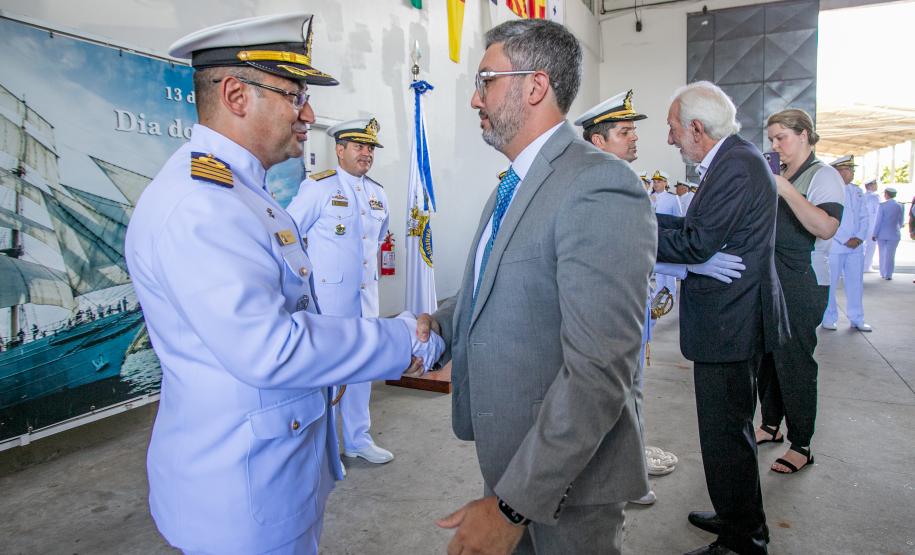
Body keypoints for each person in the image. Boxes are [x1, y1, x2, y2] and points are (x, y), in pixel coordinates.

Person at [124, 13, 443, 555]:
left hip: (270, 470)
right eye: (294, 95)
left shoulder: (241, 190)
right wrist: (401, 340)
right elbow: (270, 349)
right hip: (240, 494)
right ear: (235, 94)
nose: (309, 114)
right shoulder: (201, 206)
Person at [419, 19, 655, 555]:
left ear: (534, 86)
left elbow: (599, 369)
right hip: (514, 461)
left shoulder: (598, 184)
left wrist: (511, 507)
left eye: (486, 81)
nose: (476, 100)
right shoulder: (515, 182)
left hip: (569, 482)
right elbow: (493, 286)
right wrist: (439, 324)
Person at [658, 81, 787, 555]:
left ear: (696, 128)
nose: (670, 139)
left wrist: (629, 223)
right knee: (727, 433)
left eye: (673, 129)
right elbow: (696, 230)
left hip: (730, 324)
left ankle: (743, 539)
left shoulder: (734, 166)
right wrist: (646, 215)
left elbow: (695, 243)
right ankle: (737, 514)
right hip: (730, 319)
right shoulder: (735, 160)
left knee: (726, 435)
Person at [576, 89, 676, 505]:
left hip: (629, 305)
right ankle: (617, 481)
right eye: (623, 131)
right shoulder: (599, 182)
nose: (634, 137)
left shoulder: (618, 178)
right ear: (598, 140)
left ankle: (629, 469)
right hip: (609, 312)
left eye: (632, 130)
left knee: (630, 390)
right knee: (614, 393)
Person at [287, 118, 395, 465]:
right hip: (329, 300)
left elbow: (376, 241)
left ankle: (358, 439)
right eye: (359, 146)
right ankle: (320, 446)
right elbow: (288, 236)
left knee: (361, 367)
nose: (366, 153)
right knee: (326, 373)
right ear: (340, 150)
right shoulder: (318, 188)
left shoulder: (378, 195)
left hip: (365, 299)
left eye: (370, 148)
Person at [756, 109, 843, 481]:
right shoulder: (778, 174)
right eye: (772, 139)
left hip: (802, 281)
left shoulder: (823, 176)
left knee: (794, 362)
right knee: (767, 358)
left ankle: (801, 443)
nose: (775, 145)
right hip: (769, 278)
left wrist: (785, 188)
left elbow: (825, 227)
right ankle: (771, 423)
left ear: (805, 135)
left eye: (781, 138)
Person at [822, 155, 871, 331]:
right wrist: (844, 239)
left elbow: (865, 217)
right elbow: (830, 218)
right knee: (831, 284)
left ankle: (857, 318)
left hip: (855, 246)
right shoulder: (830, 190)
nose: (852, 173)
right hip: (835, 245)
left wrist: (859, 237)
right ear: (839, 171)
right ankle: (829, 317)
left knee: (855, 283)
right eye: (849, 169)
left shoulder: (857, 191)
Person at [872, 187, 905, 280]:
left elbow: (878, 221)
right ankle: (889, 274)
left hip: (882, 233)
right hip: (894, 233)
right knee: (891, 254)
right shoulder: (900, 205)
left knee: (882, 253)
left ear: (886, 194)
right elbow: (901, 221)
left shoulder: (882, 205)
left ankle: (883, 273)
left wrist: (874, 233)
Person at [862, 179, 880, 273]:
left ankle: (861, 265)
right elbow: (877, 212)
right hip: (872, 225)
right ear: (870, 186)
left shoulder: (862, 196)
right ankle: (867, 266)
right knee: (871, 246)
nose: (876, 186)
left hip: (863, 225)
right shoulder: (875, 197)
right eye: (875, 184)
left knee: (862, 246)